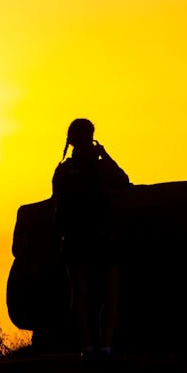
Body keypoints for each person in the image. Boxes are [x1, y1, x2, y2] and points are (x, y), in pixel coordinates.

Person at [52, 118, 131, 358]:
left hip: (74, 239)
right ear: (92, 137)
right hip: (102, 236)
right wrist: (105, 155)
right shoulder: (100, 167)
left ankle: (85, 346)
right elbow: (123, 180)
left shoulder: (63, 170)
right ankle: (105, 345)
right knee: (110, 294)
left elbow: (57, 202)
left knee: (80, 295)